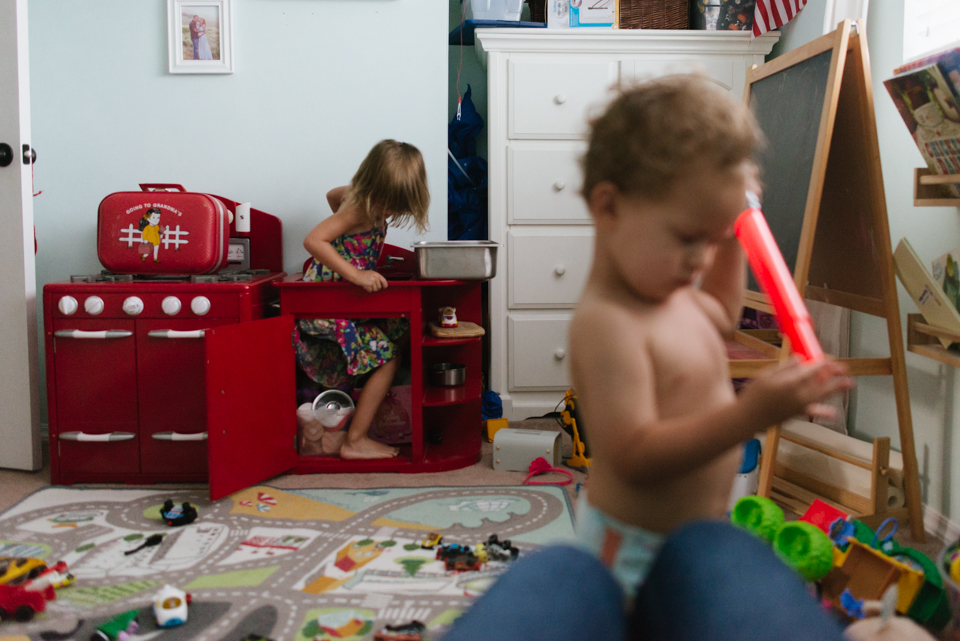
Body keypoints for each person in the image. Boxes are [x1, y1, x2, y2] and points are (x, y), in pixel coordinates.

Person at [567, 75, 854, 596]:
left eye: (712, 237)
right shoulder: (607, 322)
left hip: (699, 532)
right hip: (634, 554)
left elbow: (720, 314)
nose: (701, 259)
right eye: (686, 237)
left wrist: (732, 234)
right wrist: (750, 416)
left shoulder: (668, 291)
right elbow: (634, 454)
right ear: (609, 207)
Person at [295, 139, 429, 460]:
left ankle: (361, 427)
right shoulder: (358, 208)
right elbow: (313, 239)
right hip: (326, 304)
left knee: (398, 330)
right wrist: (355, 273)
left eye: (398, 206)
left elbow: (332, 195)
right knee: (388, 357)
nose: (390, 212)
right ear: (374, 186)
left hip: (343, 302)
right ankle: (355, 440)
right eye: (388, 204)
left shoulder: (358, 198)